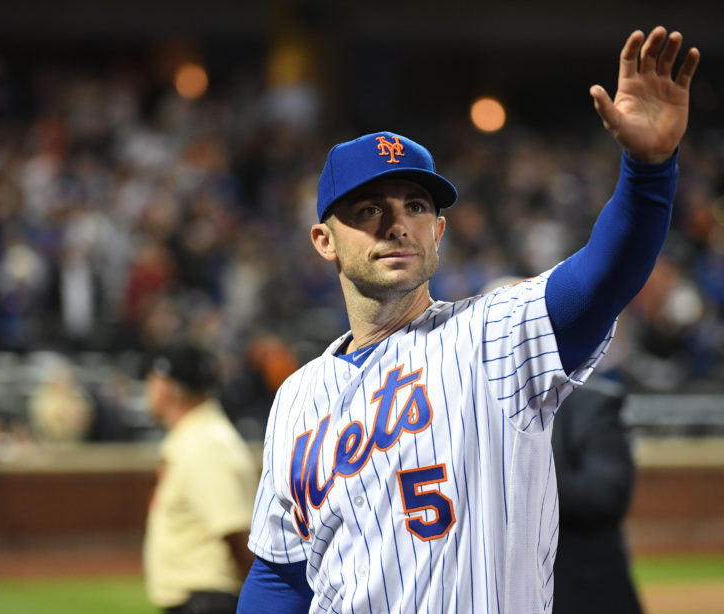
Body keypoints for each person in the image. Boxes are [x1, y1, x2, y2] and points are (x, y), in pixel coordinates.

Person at [236, 26, 699, 614]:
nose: (397, 223)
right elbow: (281, 575)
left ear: (439, 232)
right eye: (370, 208)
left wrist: (649, 169)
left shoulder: (494, 336)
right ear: (325, 241)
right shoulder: (297, 398)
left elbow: (606, 274)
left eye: (418, 206)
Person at [143, 345, 258, 614]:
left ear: (165, 387)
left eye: (151, 381)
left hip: (209, 602)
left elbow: (237, 534)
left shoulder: (206, 444)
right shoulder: (197, 436)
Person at [551, 378, 644, 614]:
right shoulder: (476, 411)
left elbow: (607, 493)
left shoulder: (591, 404)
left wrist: (528, 487)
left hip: (585, 591)